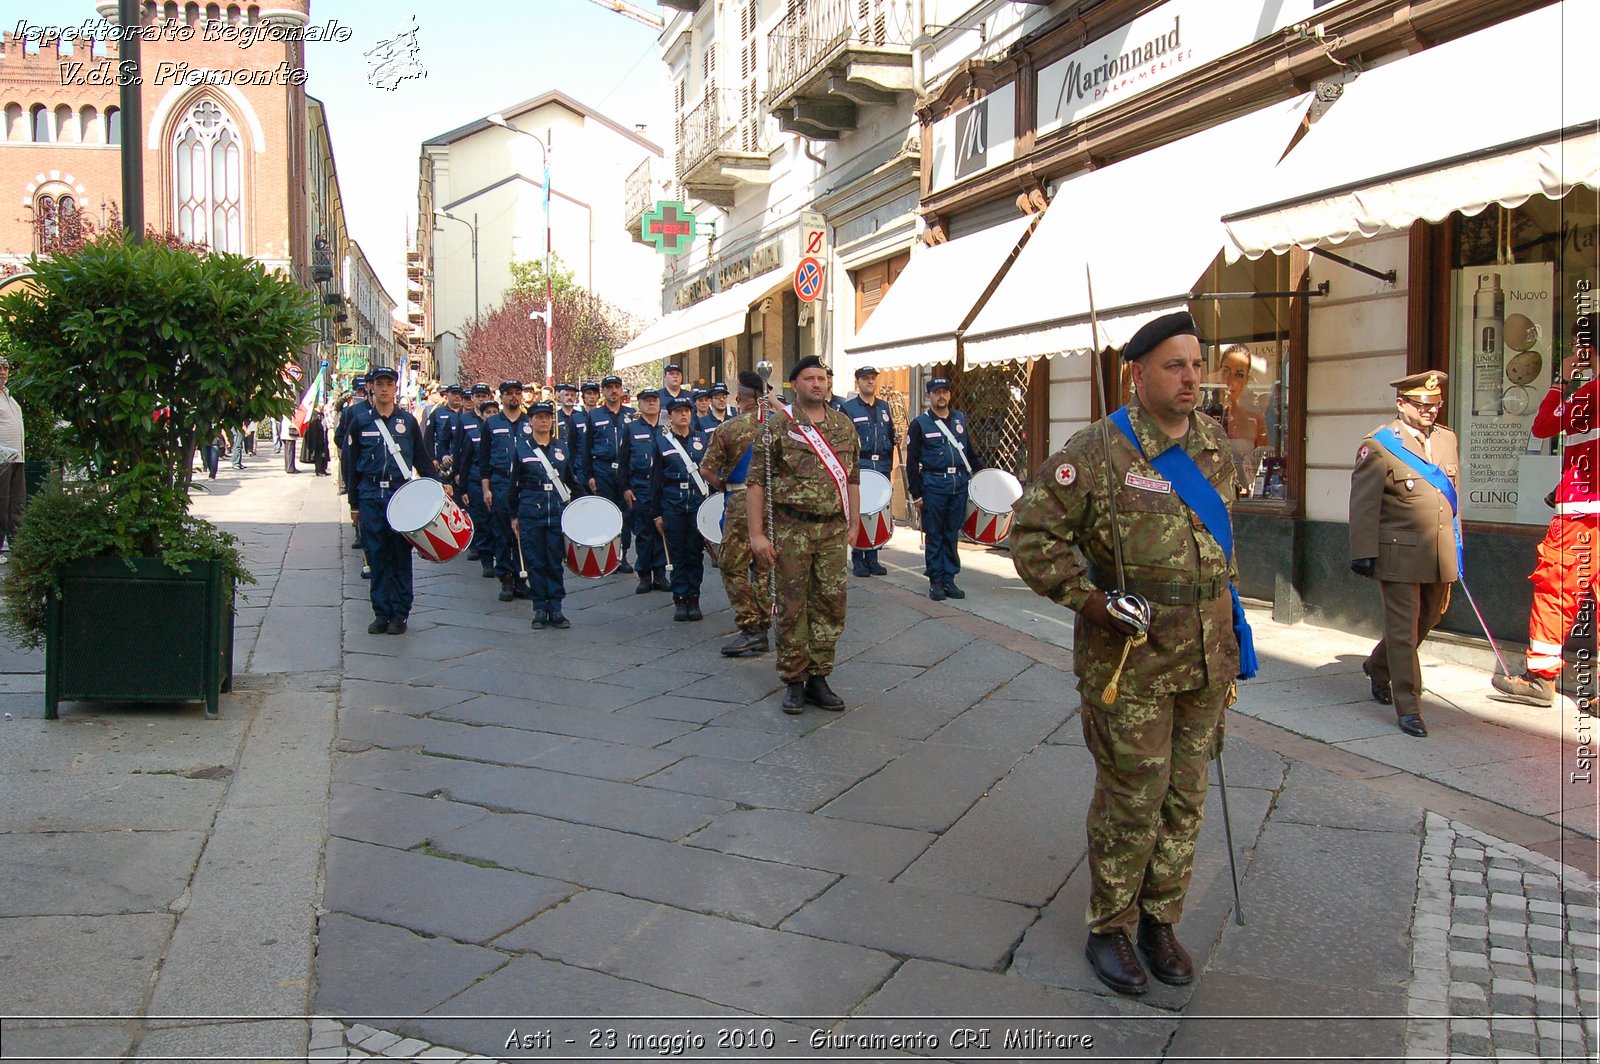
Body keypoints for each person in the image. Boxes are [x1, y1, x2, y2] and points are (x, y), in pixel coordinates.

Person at [1011, 310, 1242, 997]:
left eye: (1197, 365)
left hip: (1206, 657)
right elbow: (1031, 535)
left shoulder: (1213, 444)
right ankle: (1108, 927)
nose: (1191, 378)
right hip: (1132, 661)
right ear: (1137, 374)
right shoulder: (1098, 451)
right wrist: (1089, 600)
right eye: (1175, 366)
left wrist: (1234, 629)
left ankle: (1158, 920)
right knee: (1131, 797)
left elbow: (1220, 544)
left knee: (1184, 797)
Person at [1349, 370, 1461, 738]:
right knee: (1402, 628)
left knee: (1428, 618)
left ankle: (1379, 667)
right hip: (1397, 552)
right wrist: (1363, 551)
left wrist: (1458, 544)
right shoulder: (1380, 443)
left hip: (1438, 550)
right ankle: (1409, 705)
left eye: (1435, 404)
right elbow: (1364, 502)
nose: (1430, 410)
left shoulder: (1447, 439)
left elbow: (1451, 499)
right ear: (1402, 404)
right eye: (1422, 404)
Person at [749, 356, 861, 714]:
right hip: (791, 529)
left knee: (830, 604)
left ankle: (819, 676)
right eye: (809, 378)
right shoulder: (777, 427)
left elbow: (853, 477)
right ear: (794, 385)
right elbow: (756, 484)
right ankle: (794, 680)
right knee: (793, 605)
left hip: (832, 529)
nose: (817, 384)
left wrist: (855, 521)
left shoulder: (844, 426)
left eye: (822, 378)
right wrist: (757, 535)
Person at [1494, 319, 1596, 706]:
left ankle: (1540, 677)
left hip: (1583, 515)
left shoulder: (1591, 393)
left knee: (1556, 589)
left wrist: (1560, 380)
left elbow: (1543, 426)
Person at [345, 365, 440, 635]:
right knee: (376, 555)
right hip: (370, 494)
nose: (384, 388)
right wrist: (354, 505)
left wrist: (437, 487)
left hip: (401, 496)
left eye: (389, 383)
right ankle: (381, 612)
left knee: (399, 555)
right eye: (380, 384)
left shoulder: (407, 421)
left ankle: (400, 613)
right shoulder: (360, 421)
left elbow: (421, 459)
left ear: (395, 388)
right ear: (371, 388)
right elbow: (351, 466)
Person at [701, 370, 772, 655]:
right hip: (777, 501)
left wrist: (726, 487)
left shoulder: (728, 429)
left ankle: (750, 625)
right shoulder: (781, 424)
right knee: (766, 563)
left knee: (732, 563)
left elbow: (707, 469)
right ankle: (765, 620)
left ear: (739, 398)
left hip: (742, 500)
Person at [509, 400, 578, 630]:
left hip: (556, 512)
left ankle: (556, 607)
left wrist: (587, 503)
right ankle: (539, 607)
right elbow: (513, 485)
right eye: (538, 417)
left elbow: (571, 480)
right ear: (530, 421)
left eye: (547, 417)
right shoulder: (522, 449)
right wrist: (513, 515)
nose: (544, 420)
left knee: (555, 561)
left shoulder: (561, 448)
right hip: (530, 511)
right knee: (535, 562)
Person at [906, 376, 974, 600]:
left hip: (958, 486)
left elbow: (970, 453)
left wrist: (987, 477)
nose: (941, 396)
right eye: (937, 392)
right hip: (933, 486)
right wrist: (915, 495)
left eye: (945, 391)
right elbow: (912, 461)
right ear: (929, 396)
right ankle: (936, 581)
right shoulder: (920, 424)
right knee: (934, 535)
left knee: (951, 534)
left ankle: (950, 579)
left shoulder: (959, 419)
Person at [651, 395, 712, 621]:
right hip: (672, 503)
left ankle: (694, 597)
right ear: (671, 416)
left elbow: (709, 470)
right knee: (677, 553)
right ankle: (680, 598)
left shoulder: (701, 439)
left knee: (694, 553)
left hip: (696, 502)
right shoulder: (663, 441)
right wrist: (656, 513)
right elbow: (656, 480)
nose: (684, 414)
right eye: (679, 411)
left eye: (687, 410)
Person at [839, 365, 897, 577]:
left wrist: (888, 466)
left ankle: (873, 556)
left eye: (873, 378)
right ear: (858, 382)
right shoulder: (849, 408)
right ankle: (858, 557)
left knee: (878, 510)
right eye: (865, 379)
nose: (870, 382)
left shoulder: (884, 407)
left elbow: (890, 437)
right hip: (860, 465)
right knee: (860, 511)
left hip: (880, 465)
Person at [481, 380, 530, 602]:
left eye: (517, 393)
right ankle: (506, 579)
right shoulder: (491, 424)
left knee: (524, 533)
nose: (513, 397)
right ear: (501, 397)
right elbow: (483, 461)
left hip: (525, 484)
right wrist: (486, 489)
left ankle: (522, 579)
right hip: (500, 482)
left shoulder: (530, 422)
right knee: (502, 533)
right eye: (509, 393)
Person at [586, 374, 636, 575]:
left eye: (617, 387)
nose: (613, 391)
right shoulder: (595, 415)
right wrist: (589, 474)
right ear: (604, 392)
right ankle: (608, 556)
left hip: (625, 471)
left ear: (621, 390)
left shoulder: (631, 415)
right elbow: (586, 447)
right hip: (603, 469)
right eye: (609, 388)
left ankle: (623, 555)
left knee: (625, 514)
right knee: (607, 514)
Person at [625, 388, 669, 594]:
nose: (651, 404)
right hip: (640, 487)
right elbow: (623, 459)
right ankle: (644, 575)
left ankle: (660, 574)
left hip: (662, 489)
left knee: (661, 531)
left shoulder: (667, 428)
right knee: (643, 533)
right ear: (639, 404)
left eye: (654, 401)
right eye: (647, 401)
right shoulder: (631, 428)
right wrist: (625, 488)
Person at [453, 385, 497, 576]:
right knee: (482, 519)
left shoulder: (503, 432)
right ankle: (486, 558)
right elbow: (463, 458)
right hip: (476, 479)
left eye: (495, 412)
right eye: (488, 412)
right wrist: (462, 487)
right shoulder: (472, 433)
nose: (491, 415)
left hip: (498, 481)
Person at [1215, 345, 1268, 489]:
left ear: (1247, 379)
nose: (1230, 380)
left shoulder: (1255, 419)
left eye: (1239, 374)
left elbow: (1265, 460)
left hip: (1242, 491)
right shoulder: (1203, 413)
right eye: (1226, 371)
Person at [0, 356, 26, 557]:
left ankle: (18, 550)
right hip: (1, 461)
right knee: (1, 505)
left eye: (5, 368)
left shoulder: (10, 398)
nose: (2, 372)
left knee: (17, 505)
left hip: (17, 459)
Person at [554, 382, 590, 495]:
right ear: (560, 398)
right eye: (566, 395)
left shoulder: (584, 417)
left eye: (572, 395)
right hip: (559, 457)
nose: (569, 397)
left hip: (578, 461)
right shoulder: (554, 417)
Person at [301, 409, 331, 476]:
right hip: (318, 438)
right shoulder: (314, 414)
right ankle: (319, 470)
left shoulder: (321, 413)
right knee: (319, 455)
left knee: (324, 454)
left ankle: (323, 469)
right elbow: (314, 426)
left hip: (323, 437)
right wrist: (321, 425)